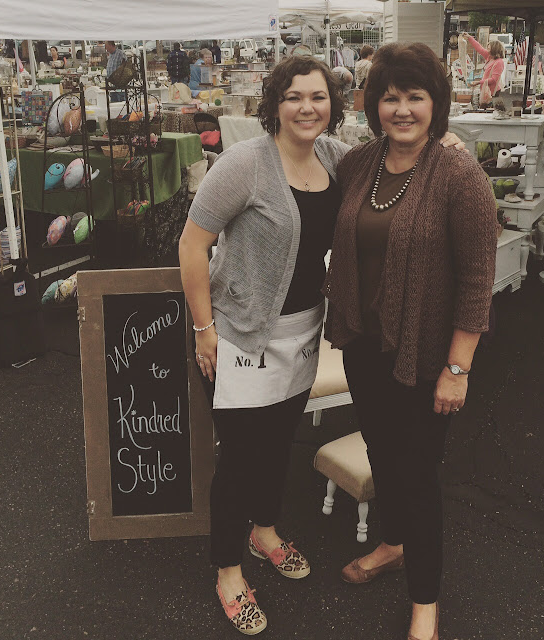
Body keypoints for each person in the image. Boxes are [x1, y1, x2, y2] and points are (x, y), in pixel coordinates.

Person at [179, 51, 464, 638]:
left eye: (318, 96)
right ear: (274, 104)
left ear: (334, 105)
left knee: (280, 441)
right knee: (239, 456)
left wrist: (448, 143)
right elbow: (191, 245)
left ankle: (265, 531)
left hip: (304, 331)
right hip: (242, 334)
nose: (307, 107)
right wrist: (205, 330)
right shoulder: (244, 164)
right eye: (294, 96)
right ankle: (228, 571)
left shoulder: (339, 158)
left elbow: (399, 150)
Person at [323, 43, 497, 640]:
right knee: (380, 453)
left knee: (417, 475)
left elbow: (478, 279)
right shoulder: (358, 164)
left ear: (435, 104)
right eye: (389, 97)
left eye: (414, 97)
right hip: (364, 347)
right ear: (373, 105)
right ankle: (392, 544)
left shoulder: (460, 176)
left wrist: (459, 367)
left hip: (426, 360)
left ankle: (426, 599)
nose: (401, 109)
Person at [461, 33, 505, 106]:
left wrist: (479, 82)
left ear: (494, 49)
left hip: (492, 91)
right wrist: (469, 38)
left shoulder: (499, 62)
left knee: (488, 108)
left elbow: (494, 80)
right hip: (486, 89)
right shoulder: (489, 57)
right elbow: (479, 48)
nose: (486, 49)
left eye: (488, 48)